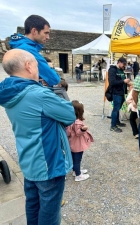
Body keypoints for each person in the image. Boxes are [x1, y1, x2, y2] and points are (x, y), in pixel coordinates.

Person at [0, 49, 75, 224]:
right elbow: (69, 114)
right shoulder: (39, 94)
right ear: (28, 66)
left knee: (33, 207)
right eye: (37, 64)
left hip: (29, 160)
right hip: (48, 164)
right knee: (50, 216)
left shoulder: (9, 92)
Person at [9, 14, 60, 87]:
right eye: (46, 33)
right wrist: (51, 67)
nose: (48, 37)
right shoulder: (28, 50)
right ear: (34, 31)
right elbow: (54, 79)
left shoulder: (20, 46)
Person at [66, 100, 94, 182]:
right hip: (78, 145)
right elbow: (78, 133)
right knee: (77, 160)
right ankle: (78, 175)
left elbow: (68, 132)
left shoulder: (69, 120)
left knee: (74, 158)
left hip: (72, 144)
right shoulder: (78, 122)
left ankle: (75, 171)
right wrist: (83, 129)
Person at [108, 57, 130, 133]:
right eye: (124, 64)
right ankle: (113, 126)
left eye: (125, 64)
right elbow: (112, 82)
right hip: (116, 93)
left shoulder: (121, 70)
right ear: (119, 62)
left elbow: (122, 81)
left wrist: (127, 83)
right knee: (116, 109)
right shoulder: (112, 70)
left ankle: (117, 122)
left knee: (118, 108)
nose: (125, 66)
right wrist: (123, 81)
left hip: (122, 92)